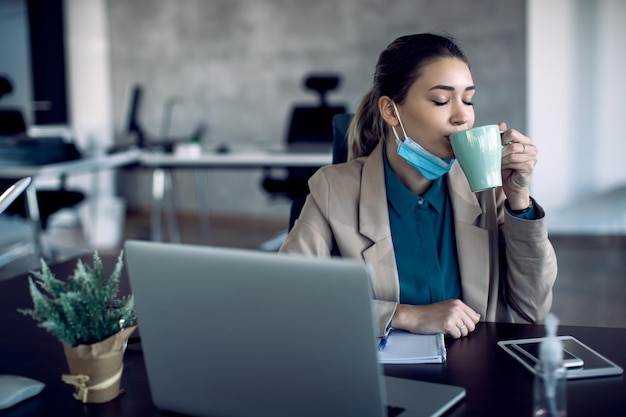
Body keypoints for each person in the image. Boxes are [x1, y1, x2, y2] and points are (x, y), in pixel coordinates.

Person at [279, 33, 558, 339]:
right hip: (384, 376)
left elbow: (533, 307)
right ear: (389, 111)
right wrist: (403, 315)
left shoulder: (489, 190)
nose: (463, 116)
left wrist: (518, 197)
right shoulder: (334, 188)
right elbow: (289, 298)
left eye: (468, 99)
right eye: (441, 100)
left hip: (478, 370)